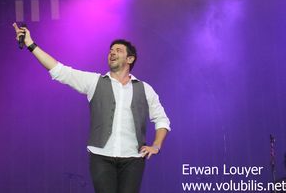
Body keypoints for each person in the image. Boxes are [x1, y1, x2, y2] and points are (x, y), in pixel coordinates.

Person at [13, 23, 171, 193]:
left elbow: (162, 119)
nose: (112, 52)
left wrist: (156, 145)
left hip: (133, 158)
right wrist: (31, 44)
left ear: (130, 59)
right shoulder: (94, 82)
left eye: (118, 50)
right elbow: (60, 71)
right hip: (101, 156)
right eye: (111, 50)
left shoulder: (145, 89)